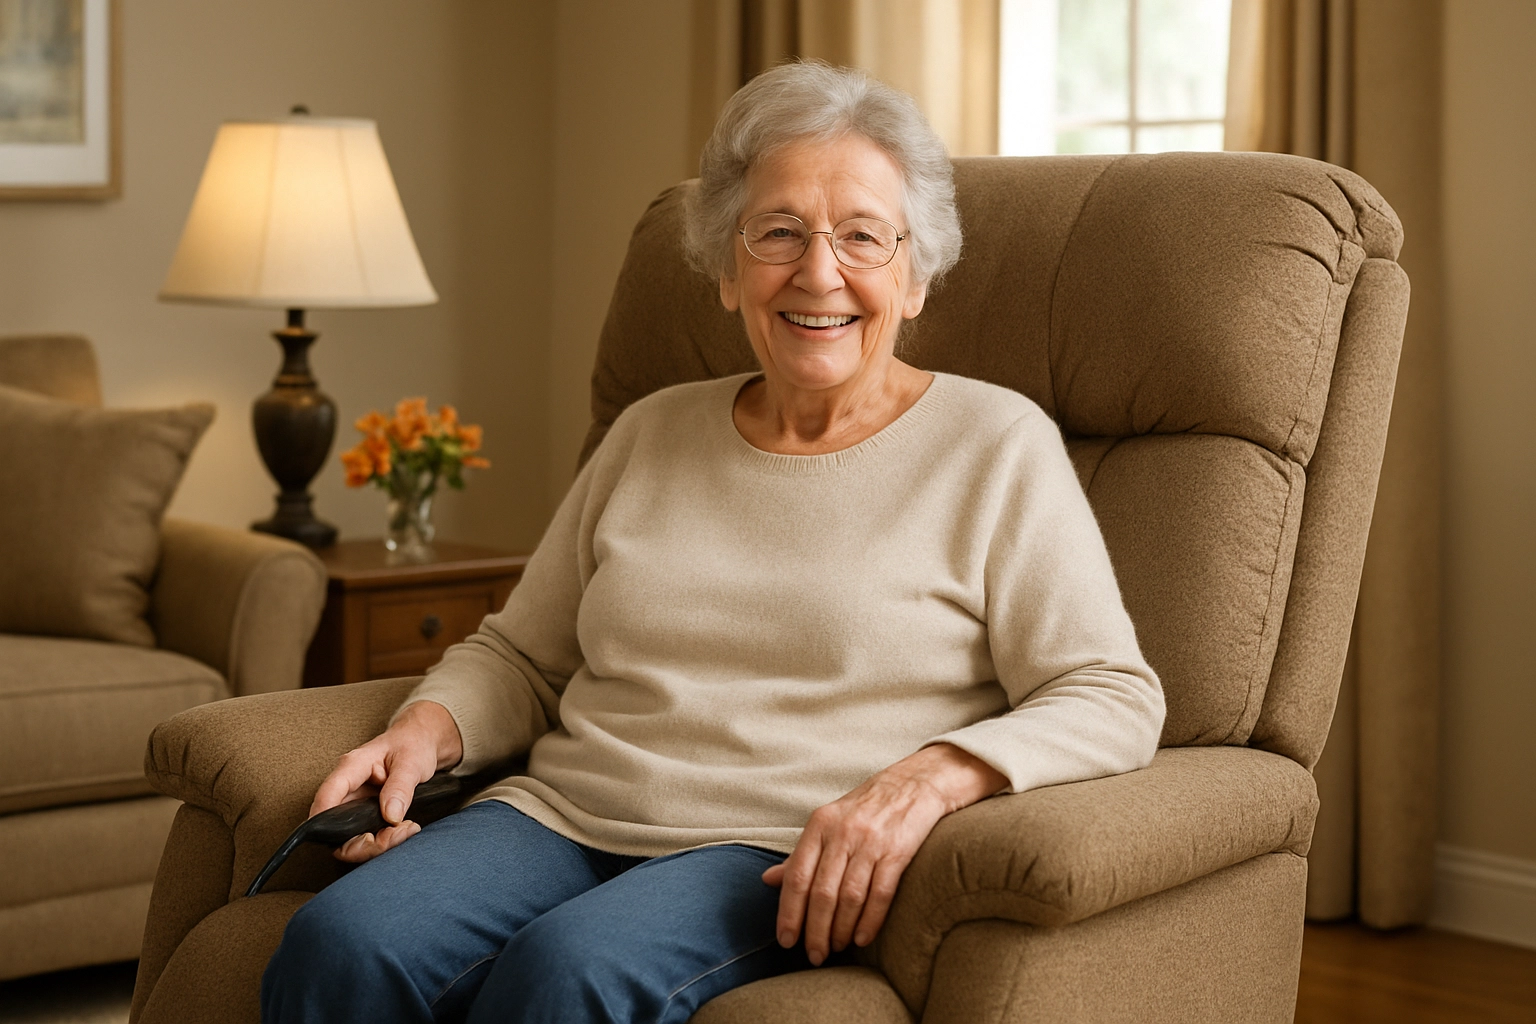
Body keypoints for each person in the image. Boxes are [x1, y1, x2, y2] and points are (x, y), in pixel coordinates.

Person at [261, 61, 1164, 1024]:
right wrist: (427, 730)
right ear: (728, 273)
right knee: (340, 943)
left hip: (770, 846)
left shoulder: (994, 444)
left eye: (863, 236)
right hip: (561, 815)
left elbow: (1110, 692)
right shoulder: (650, 431)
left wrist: (929, 778)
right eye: (778, 234)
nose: (820, 273)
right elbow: (523, 656)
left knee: (569, 975)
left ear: (917, 274)